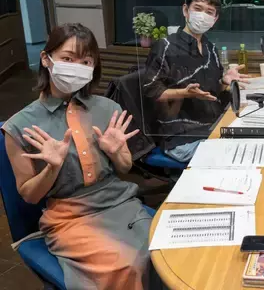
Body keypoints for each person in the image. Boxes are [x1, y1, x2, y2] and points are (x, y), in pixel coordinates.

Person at [1, 23, 155, 289]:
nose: (77, 67)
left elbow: (125, 167)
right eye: (68, 58)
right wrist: (52, 168)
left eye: (85, 62)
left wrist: (116, 153)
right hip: (69, 218)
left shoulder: (108, 107)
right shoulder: (20, 125)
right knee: (126, 265)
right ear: (46, 59)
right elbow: (29, 195)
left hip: (121, 203)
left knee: (162, 253)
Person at [143, 0, 249, 162]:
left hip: (211, 126)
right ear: (186, 10)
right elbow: (151, 92)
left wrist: (224, 81)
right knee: (237, 157)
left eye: (209, 12)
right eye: (198, 9)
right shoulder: (165, 46)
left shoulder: (210, 48)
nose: (202, 16)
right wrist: (184, 93)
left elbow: (211, 91)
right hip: (182, 137)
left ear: (214, 19)